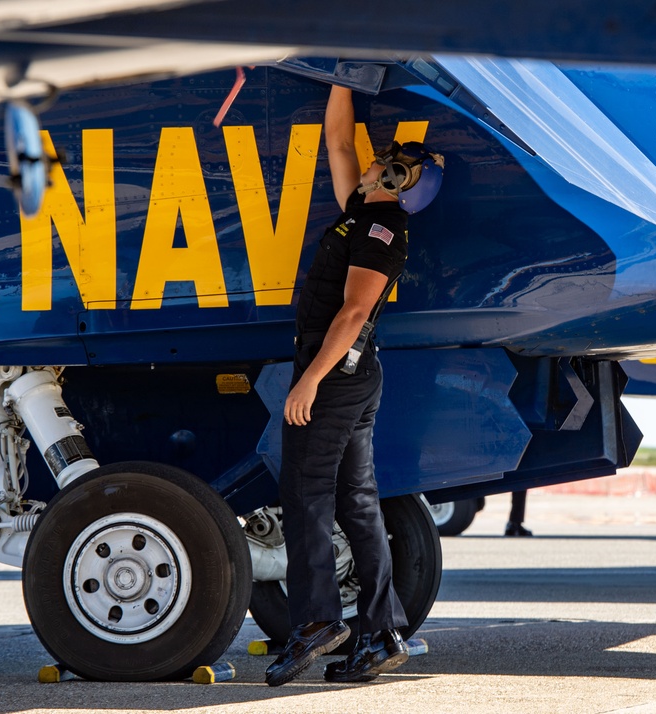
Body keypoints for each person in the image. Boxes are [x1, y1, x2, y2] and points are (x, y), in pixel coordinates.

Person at [264, 84, 444, 687]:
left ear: (395, 178)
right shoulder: (361, 212)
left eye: (390, 160)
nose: (371, 158)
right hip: (355, 377)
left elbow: (351, 314)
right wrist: (342, 76)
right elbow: (338, 142)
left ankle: (316, 623)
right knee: (356, 502)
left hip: (336, 376)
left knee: (305, 494)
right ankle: (381, 633)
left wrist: (309, 381)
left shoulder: (380, 229)